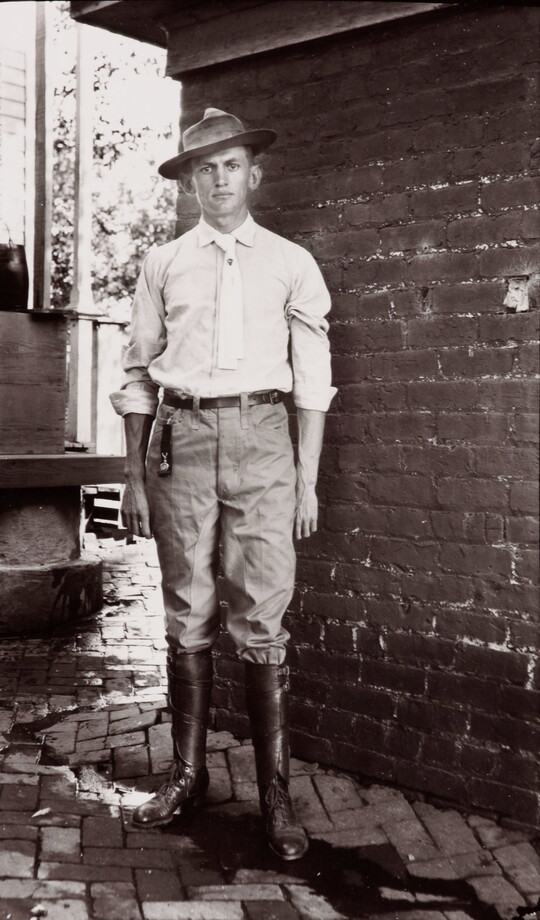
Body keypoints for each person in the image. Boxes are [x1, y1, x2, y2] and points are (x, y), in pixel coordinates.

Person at [110, 108, 336, 861]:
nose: (218, 179)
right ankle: (187, 775)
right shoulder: (163, 264)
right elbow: (137, 375)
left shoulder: (291, 263)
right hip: (181, 439)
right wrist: (133, 475)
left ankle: (276, 795)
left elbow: (313, 382)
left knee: (262, 612)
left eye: (231, 164)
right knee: (188, 608)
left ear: (254, 174)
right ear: (189, 184)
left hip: (264, 439)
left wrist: (307, 480)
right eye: (203, 169)